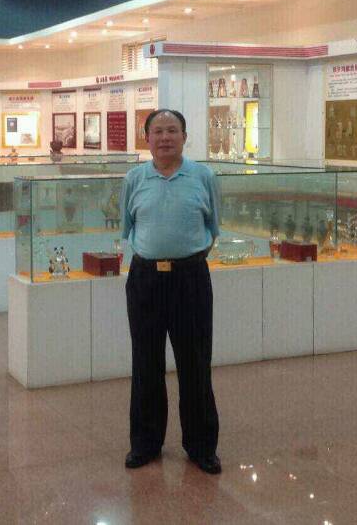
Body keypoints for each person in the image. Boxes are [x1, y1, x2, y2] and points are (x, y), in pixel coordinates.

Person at [119, 109, 222, 474]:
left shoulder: (203, 176)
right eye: (158, 131)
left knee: (195, 363)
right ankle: (145, 444)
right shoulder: (134, 179)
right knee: (145, 363)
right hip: (145, 279)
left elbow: (213, 228)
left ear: (184, 137)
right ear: (147, 138)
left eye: (172, 131)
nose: (165, 137)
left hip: (190, 279)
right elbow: (128, 226)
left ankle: (201, 446)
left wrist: (187, 260)